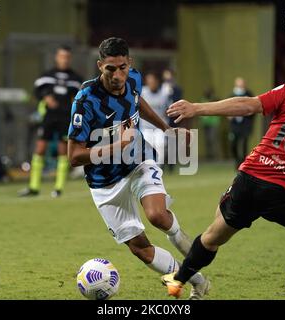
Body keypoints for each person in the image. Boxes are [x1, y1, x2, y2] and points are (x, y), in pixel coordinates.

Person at [67, 37, 210, 300]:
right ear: (100, 66)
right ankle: (198, 281)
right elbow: (74, 156)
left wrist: (167, 129)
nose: (118, 75)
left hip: (138, 161)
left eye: (122, 67)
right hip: (104, 182)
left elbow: (137, 101)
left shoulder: (134, 78)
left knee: (158, 216)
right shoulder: (85, 101)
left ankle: (191, 261)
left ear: (129, 63)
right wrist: (117, 145)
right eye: (110, 69)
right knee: (139, 248)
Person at [162, 83, 285, 298]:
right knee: (215, 232)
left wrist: (196, 108)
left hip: (250, 178)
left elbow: (247, 106)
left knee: (212, 237)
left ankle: (179, 279)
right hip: (283, 193)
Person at [19, 45, 83, 198]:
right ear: (57, 57)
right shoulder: (47, 75)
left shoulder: (75, 79)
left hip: (65, 118)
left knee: (63, 150)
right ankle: (34, 186)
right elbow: (37, 91)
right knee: (40, 148)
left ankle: (58, 188)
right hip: (48, 117)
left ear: (70, 58)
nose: (64, 59)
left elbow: (80, 96)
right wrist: (46, 97)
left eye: (67, 57)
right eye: (62, 56)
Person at [139, 71, 170, 166]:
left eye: (152, 81)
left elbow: (168, 109)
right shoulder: (143, 92)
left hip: (159, 126)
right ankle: (149, 168)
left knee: (160, 144)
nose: (151, 83)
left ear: (157, 81)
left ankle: (158, 168)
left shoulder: (164, 93)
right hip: (146, 126)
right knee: (148, 146)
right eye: (149, 81)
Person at [229, 77, 255, 168]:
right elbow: (226, 108)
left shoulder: (249, 94)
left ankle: (243, 163)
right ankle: (237, 161)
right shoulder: (231, 95)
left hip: (245, 124)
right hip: (235, 125)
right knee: (234, 144)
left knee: (244, 143)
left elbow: (254, 109)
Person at [199, 87, 221, 160]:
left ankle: (216, 155)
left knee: (213, 139)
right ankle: (209, 155)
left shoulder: (215, 99)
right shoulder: (203, 99)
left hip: (213, 122)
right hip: (205, 123)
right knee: (207, 140)